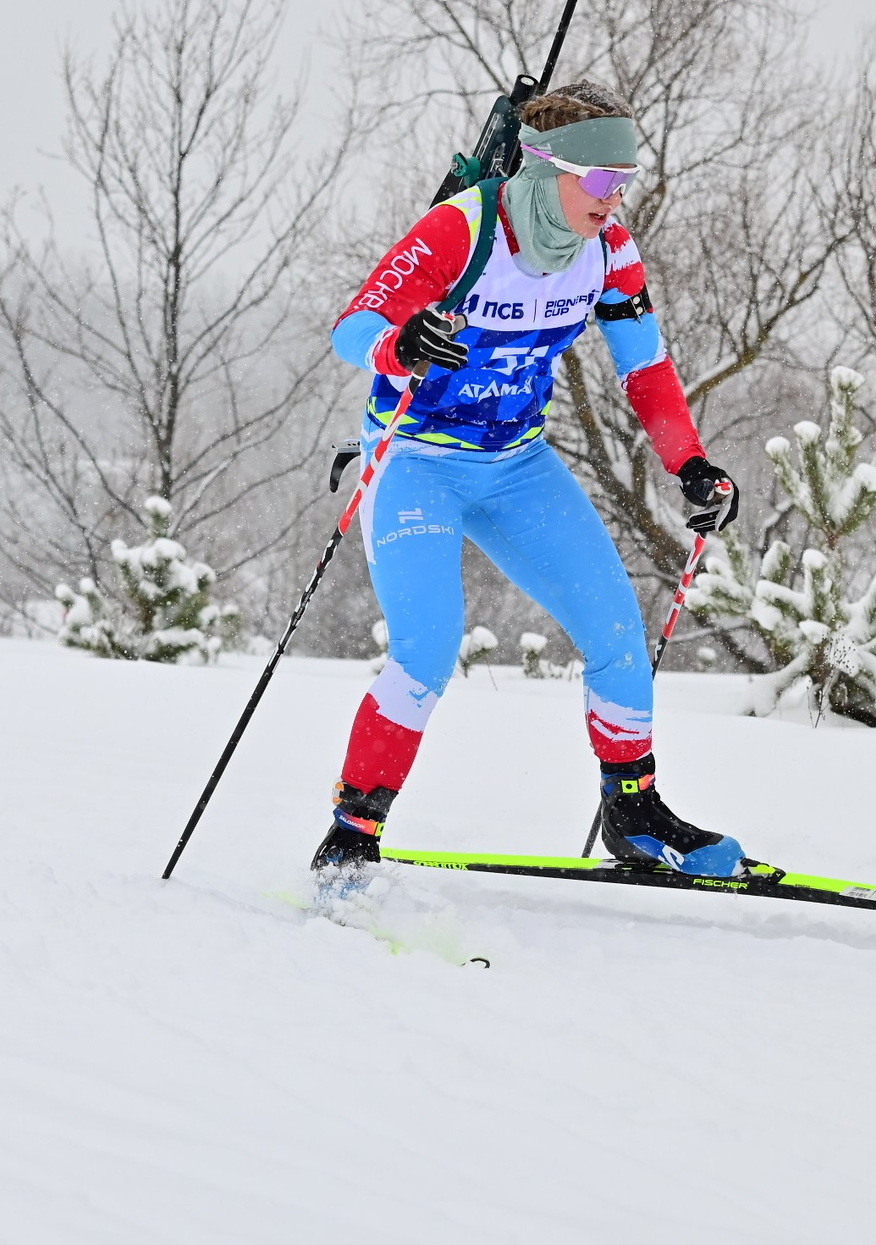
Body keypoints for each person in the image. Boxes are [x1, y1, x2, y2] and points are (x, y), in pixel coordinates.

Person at [313, 80, 747, 880]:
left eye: (627, 181)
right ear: (549, 170)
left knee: (618, 631)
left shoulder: (610, 250)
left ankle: (634, 811)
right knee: (427, 648)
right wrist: (399, 345)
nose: (616, 200)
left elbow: (644, 365)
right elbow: (355, 324)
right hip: (417, 459)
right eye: (604, 180)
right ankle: (352, 831)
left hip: (518, 463)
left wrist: (690, 463)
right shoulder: (465, 226)